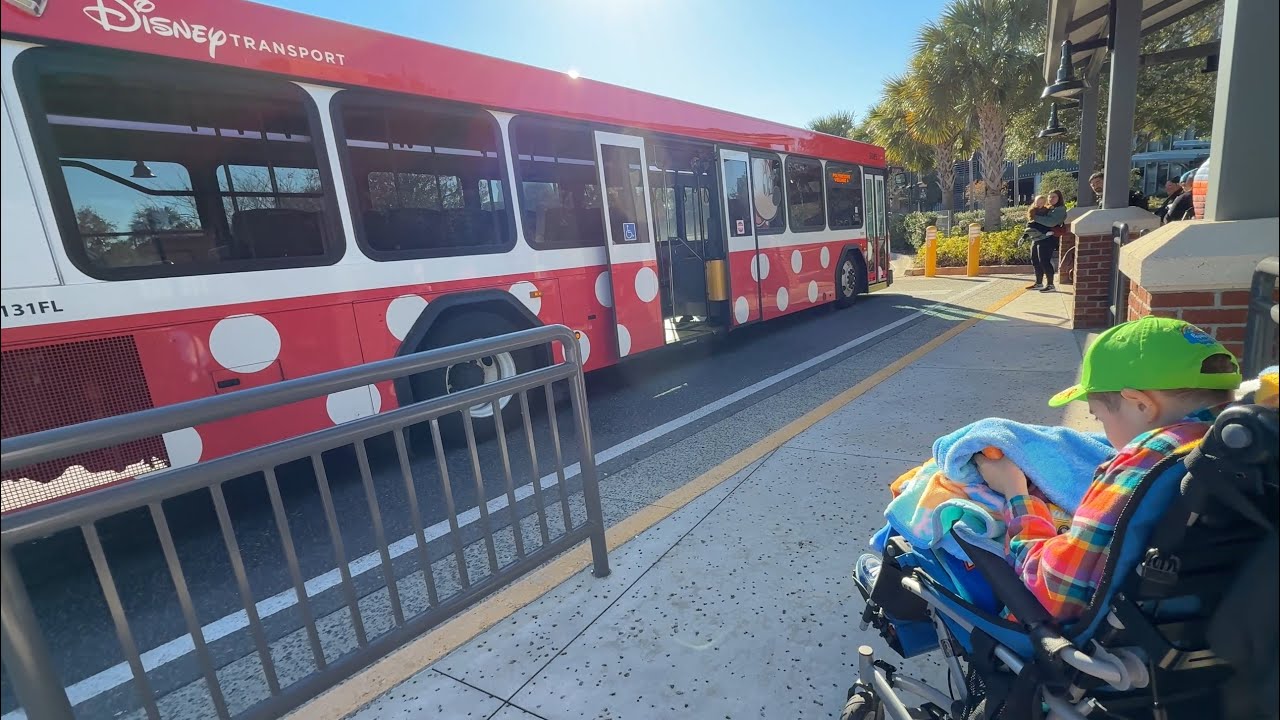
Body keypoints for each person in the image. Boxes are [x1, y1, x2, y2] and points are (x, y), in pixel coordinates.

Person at [974, 317, 1242, 621]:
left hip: (1107, 644)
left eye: (1098, 417)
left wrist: (1016, 493)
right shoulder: (1242, 444)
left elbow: (1054, 589)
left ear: (1141, 404)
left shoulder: (1147, 462)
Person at [1026, 189, 1066, 292]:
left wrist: (1035, 217)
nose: (1051, 199)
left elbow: (1051, 223)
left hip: (1048, 239)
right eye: (1050, 196)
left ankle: (1050, 284)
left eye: (1054, 197)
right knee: (1035, 260)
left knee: (1044, 261)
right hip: (1038, 238)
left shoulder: (1060, 209)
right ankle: (1038, 283)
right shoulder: (1047, 209)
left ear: (1059, 198)